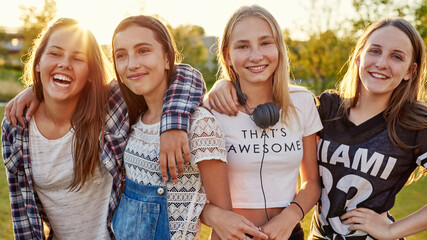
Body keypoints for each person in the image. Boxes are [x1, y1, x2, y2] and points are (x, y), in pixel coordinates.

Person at [207, 17, 427, 240]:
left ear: (410, 70)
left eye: (396, 57)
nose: (381, 63)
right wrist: (225, 83)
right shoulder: (328, 108)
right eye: (375, 51)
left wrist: (391, 230)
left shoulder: (417, 124)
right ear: (359, 57)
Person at [2, 17, 205, 239]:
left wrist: (172, 125)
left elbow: (184, 76)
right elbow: (23, 214)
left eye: (78, 58)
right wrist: (37, 87)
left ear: (90, 73)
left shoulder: (110, 106)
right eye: (55, 54)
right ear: (38, 62)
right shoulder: (17, 127)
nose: (64, 64)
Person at [109, 15, 268, 240]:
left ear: (166, 59)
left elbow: (224, 221)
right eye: (121, 55)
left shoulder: (199, 125)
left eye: (143, 50)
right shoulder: (132, 118)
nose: (132, 63)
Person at [207, 5, 322, 240]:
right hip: (231, 235)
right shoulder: (211, 110)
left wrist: (289, 218)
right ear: (228, 56)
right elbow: (184, 191)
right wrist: (213, 216)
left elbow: (312, 182)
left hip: (287, 232)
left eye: (265, 43)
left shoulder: (302, 103)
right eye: (242, 46)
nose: (256, 55)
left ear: (279, 48)